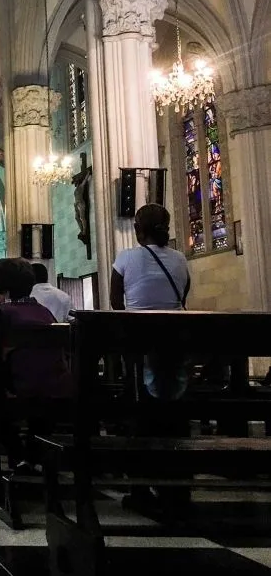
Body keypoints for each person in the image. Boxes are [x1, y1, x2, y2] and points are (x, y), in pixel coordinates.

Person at [111, 204, 192, 514]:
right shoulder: (180, 258)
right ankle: (180, 485)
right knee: (175, 416)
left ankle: (141, 486)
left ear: (137, 229)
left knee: (141, 417)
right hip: (175, 342)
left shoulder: (126, 257)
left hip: (140, 344)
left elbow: (116, 302)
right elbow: (183, 295)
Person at [0, 258, 70, 472]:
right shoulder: (45, 313)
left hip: (12, 394)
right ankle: (30, 458)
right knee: (38, 405)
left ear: (2, 290)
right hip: (54, 391)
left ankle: (19, 455)